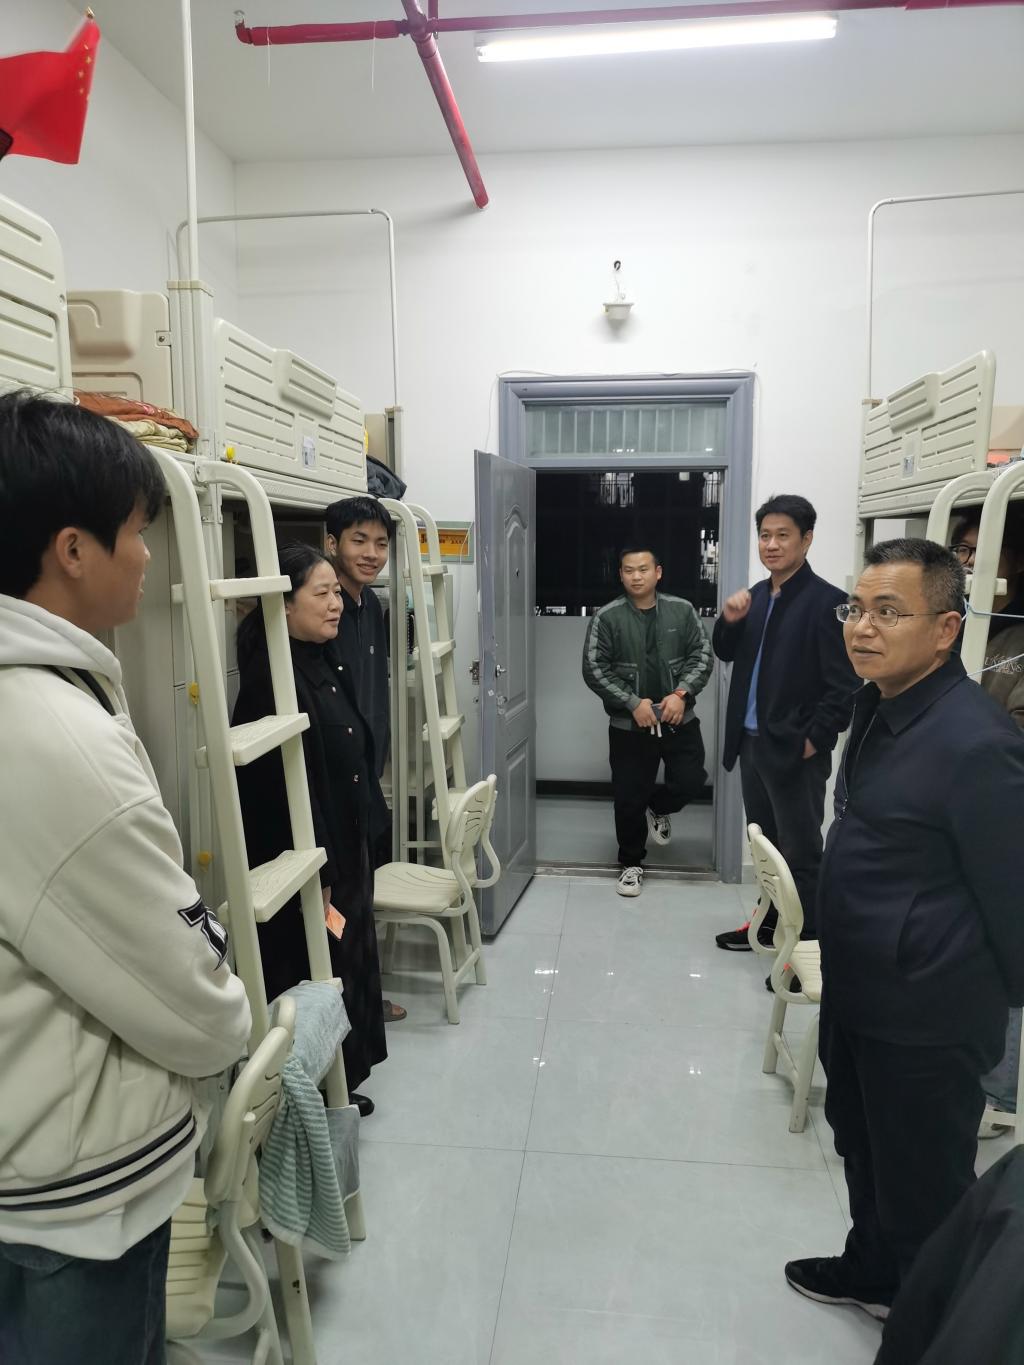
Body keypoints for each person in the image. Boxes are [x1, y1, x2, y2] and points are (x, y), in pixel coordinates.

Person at [0, 390, 252, 1365]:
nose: (148, 556)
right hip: (75, 1208)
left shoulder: (49, 695)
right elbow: (196, 1003)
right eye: (138, 532)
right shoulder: (55, 738)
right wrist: (228, 1004)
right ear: (73, 549)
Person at [785, 538, 1024, 1321]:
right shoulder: (879, 704)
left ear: (947, 629)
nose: (862, 627)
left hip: (926, 1016)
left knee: (925, 1189)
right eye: (856, 608)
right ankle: (872, 1270)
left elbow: (1013, 895)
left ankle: (927, 1328)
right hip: (862, 991)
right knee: (860, 1142)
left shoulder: (978, 743)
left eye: (889, 612)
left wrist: (983, 1013)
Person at [233, 542, 387, 1115]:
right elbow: (280, 788)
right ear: (285, 604)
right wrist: (316, 870)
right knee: (315, 966)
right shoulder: (271, 679)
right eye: (321, 594)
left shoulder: (321, 658)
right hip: (316, 855)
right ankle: (314, 1090)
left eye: (335, 593)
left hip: (346, 842)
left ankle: (342, 1079)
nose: (335, 604)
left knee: (349, 959)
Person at [711, 494, 857, 949]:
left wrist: (815, 739)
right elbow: (725, 651)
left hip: (795, 748)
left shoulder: (829, 603)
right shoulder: (754, 597)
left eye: (782, 536)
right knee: (766, 845)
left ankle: (808, 947)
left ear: (806, 539)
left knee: (800, 850)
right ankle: (770, 925)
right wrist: (729, 621)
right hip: (751, 742)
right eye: (765, 535)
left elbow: (844, 685)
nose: (771, 545)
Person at [582, 544, 712, 897]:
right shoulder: (607, 617)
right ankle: (631, 864)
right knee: (628, 798)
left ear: (658, 572)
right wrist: (631, 702)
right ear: (620, 575)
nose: (636, 576)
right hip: (630, 726)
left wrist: (681, 694)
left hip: (678, 718)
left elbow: (702, 655)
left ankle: (658, 806)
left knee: (691, 780)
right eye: (629, 570)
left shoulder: (682, 610)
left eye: (643, 569)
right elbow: (594, 668)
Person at [325, 494, 406, 1023]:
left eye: (380, 543)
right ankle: (342, 1012)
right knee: (336, 904)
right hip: (333, 783)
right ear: (331, 542)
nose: (372, 553)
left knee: (360, 896)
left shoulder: (371, 605)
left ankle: (363, 1004)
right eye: (359, 541)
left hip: (367, 776)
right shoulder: (324, 608)